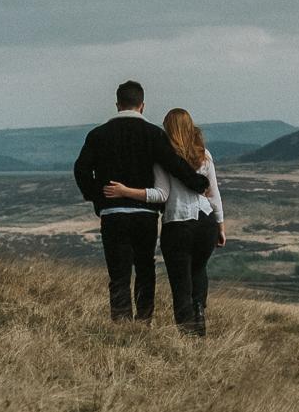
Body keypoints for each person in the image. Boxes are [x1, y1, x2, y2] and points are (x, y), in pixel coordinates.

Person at [71, 81, 210, 322]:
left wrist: (98, 197)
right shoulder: (154, 134)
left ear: (117, 105)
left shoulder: (97, 135)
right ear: (142, 106)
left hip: (113, 214)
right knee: (145, 269)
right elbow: (173, 165)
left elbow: (81, 171)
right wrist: (198, 183)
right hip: (145, 216)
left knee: (119, 274)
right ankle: (144, 321)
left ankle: (122, 323)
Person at [104, 108, 224, 337]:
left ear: (168, 129)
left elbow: (161, 195)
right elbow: (214, 194)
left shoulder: (163, 158)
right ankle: (199, 317)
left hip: (178, 224)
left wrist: (124, 191)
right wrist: (220, 226)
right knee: (199, 271)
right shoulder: (204, 154)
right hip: (206, 222)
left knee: (181, 284)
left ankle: (188, 334)